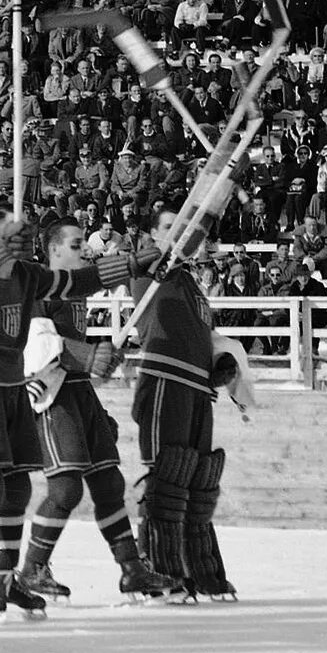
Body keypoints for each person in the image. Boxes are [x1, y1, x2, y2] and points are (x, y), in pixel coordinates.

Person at [0, 212, 135, 618]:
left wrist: (133, 264)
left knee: (18, 492)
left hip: (14, 396)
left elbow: (79, 282)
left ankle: (5, 583)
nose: (19, 239)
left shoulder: (27, 275)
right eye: (9, 235)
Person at [17, 224, 175, 604]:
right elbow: (35, 341)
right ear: (54, 250)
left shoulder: (77, 288)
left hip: (80, 392)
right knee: (65, 487)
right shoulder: (38, 284)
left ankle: (131, 569)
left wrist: (100, 356)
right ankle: (32, 568)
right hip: (53, 395)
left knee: (109, 485)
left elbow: (98, 281)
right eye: (76, 245)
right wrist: (88, 356)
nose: (84, 251)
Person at [128, 216, 242, 600]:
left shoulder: (191, 282)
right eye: (168, 225)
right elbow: (153, 255)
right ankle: (160, 573)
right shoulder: (148, 268)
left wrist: (219, 362)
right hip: (165, 379)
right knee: (167, 479)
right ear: (151, 236)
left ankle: (201, 572)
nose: (181, 229)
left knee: (199, 482)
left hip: (197, 385)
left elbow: (197, 334)